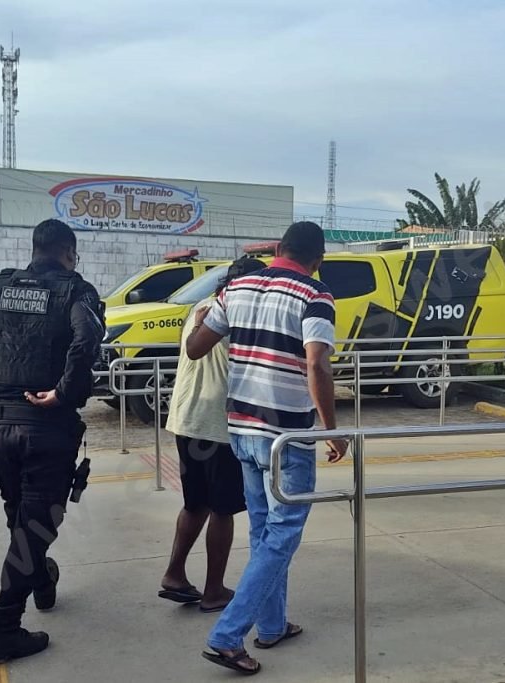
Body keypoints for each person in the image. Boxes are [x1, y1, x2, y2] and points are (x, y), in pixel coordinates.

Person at [0, 219, 104, 662]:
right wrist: (64, 393)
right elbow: (87, 339)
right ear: (68, 252)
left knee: (23, 521)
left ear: (35, 250)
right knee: (33, 530)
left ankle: (43, 581)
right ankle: (3, 628)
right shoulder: (76, 291)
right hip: (45, 432)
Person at [186, 221, 350, 675]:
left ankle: (272, 625)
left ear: (279, 248)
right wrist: (332, 430)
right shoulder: (314, 294)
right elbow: (317, 364)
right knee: (283, 535)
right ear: (318, 259)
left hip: (242, 430)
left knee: (264, 533)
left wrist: (200, 321)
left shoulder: (236, 287)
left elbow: (196, 349)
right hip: (287, 437)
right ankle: (227, 635)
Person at [159, 256, 266, 613]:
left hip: (186, 418)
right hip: (218, 424)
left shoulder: (201, 306)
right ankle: (214, 590)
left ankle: (174, 573)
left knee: (196, 502)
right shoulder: (239, 312)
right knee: (223, 508)